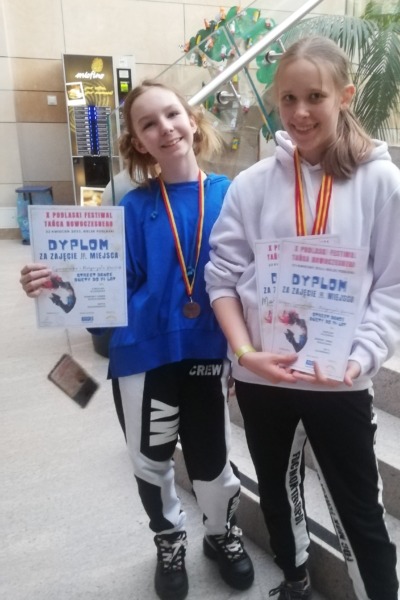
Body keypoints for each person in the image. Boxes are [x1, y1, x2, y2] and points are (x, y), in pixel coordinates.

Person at [205, 36, 400, 600]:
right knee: (277, 491)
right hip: (263, 377)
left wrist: (360, 358)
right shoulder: (253, 184)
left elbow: (398, 285)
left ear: (345, 96)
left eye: (315, 97)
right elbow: (221, 279)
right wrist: (246, 354)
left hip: (338, 379)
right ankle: (295, 577)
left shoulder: (380, 182)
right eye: (288, 99)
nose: (300, 112)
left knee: (358, 510)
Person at [18, 80, 254, 600]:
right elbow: (100, 288)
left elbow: (252, 280)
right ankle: (169, 540)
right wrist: (52, 282)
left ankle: (221, 533)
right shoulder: (127, 208)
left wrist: (247, 354)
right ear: (137, 142)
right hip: (144, 354)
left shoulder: (234, 197)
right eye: (148, 124)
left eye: (171, 114)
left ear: (192, 120)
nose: (164, 128)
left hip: (208, 350)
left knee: (213, 464)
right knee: (150, 459)